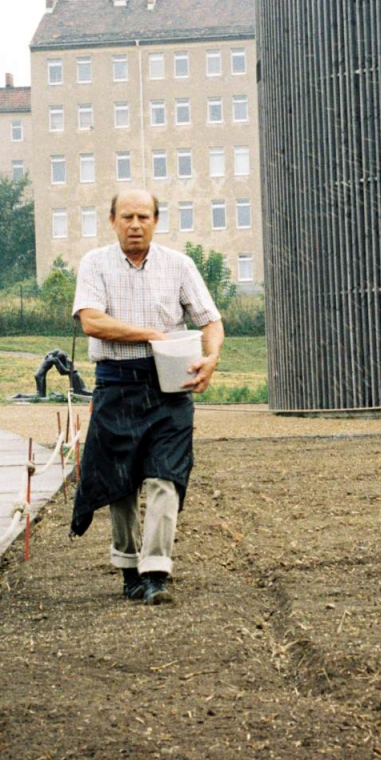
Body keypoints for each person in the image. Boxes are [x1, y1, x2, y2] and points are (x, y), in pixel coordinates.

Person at [68, 189, 223, 606]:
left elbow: (210, 319)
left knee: (164, 477)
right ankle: (128, 570)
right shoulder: (95, 264)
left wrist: (211, 358)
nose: (135, 224)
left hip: (169, 387)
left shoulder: (179, 265)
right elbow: (91, 321)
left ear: (156, 220)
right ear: (112, 220)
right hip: (117, 383)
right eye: (127, 217)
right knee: (119, 483)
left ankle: (156, 573)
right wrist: (152, 334)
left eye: (143, 217)